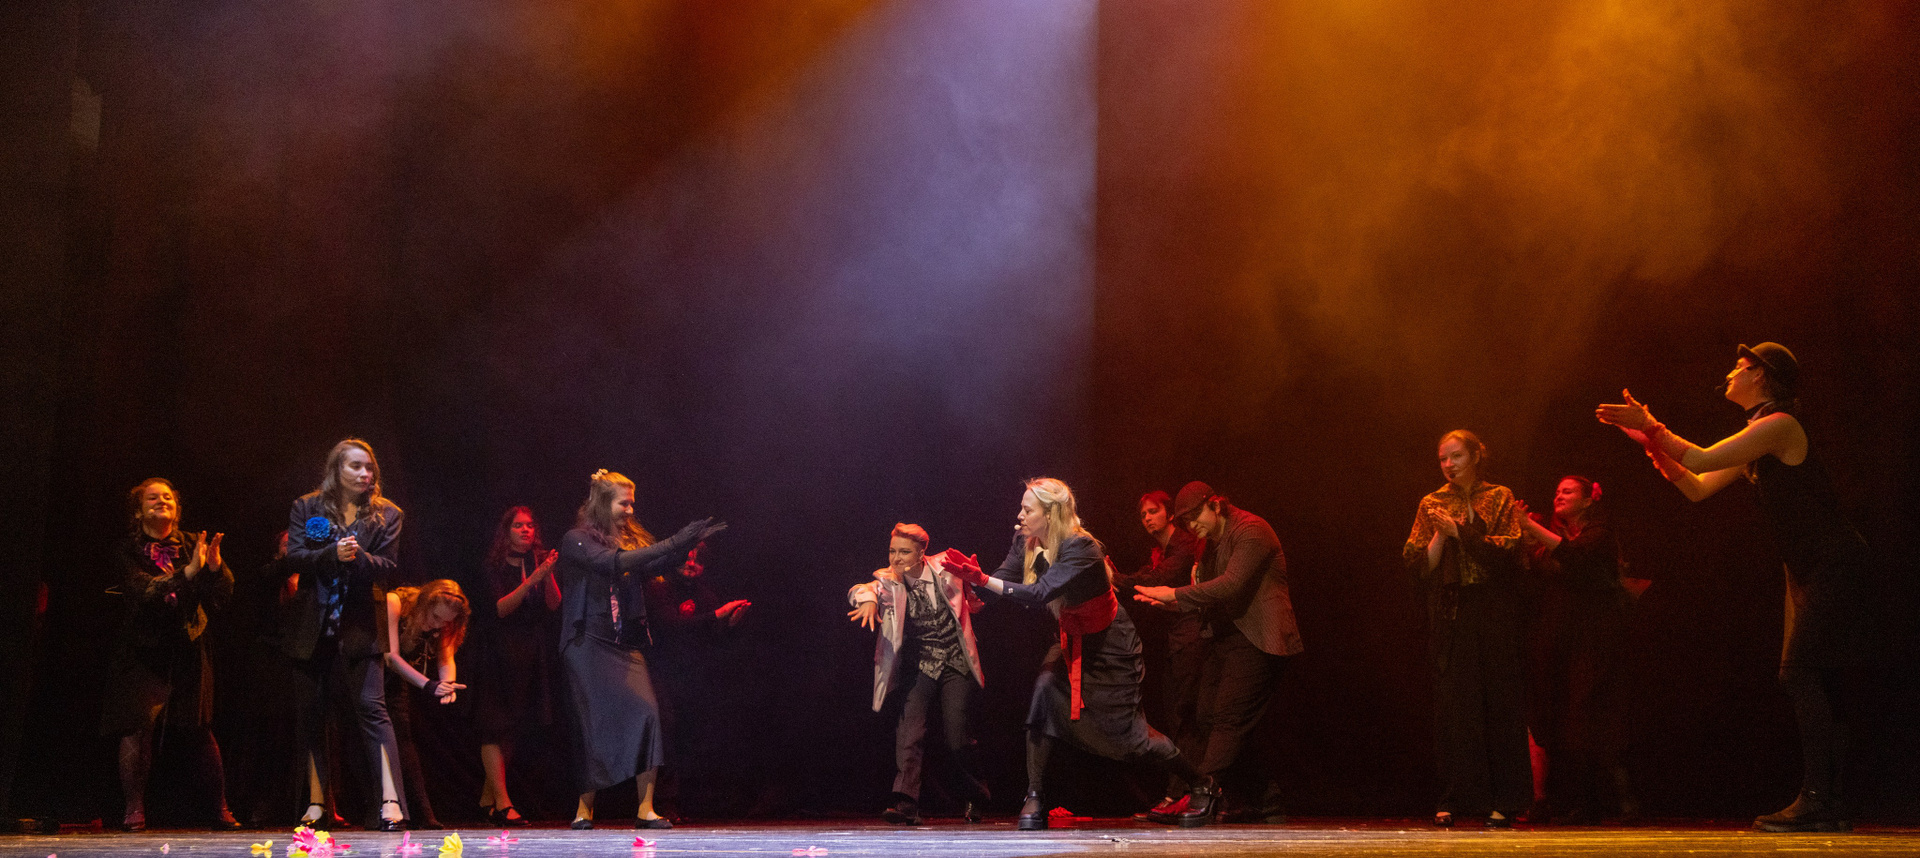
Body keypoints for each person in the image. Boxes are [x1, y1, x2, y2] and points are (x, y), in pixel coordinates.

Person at [1598, 342, 1867, 832]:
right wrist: (1651, 442)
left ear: (1761, 376)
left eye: (1740, 367)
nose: (1729, 373)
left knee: (1800, 673)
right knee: (1811, 677)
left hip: (1835, 561)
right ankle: (1828, 801)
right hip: (1805, 567)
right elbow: (1696, 487)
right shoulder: (1758, 436)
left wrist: (1652, 424)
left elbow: (1700, 459)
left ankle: (1821, 799)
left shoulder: (1780, 425)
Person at [943, 478, 1211, 829]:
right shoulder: (1024, 540)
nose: (1019, 515)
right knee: (1043, 695)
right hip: (1070, 637)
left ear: (1051, 514)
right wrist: (977, 592)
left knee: (1132, 738)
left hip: (1111, 647)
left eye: (1027, 509)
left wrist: (984, 581)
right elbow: (1005, 578)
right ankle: (1034, 795)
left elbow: (1039, 593)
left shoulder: (1082, 547)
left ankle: (1202, 784)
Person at [557, 469, 725, 830]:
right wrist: (673, 541)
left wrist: (686, 546)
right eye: (624, 503)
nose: (631, 510)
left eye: (632, 503)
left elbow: (649, 566)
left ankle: (645, 809)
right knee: (593, 723)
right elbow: (612, 563)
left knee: (648, 713)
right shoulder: (576, 540)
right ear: (603, 503)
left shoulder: (626, 542)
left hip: (624, 643)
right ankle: (584, 810)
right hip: (587, 643)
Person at [1133, 481, 1303, 825]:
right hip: (1226, 637)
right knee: (1207, 717)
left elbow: (1231, 585)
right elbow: (1206, 594)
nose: (1191, 525)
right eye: (1185, 520)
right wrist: (1173, 605)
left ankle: (1204, 794)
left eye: (1195, 516)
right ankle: (1265, 799)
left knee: (1228, 718)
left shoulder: (1251, 530)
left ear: (1216, 504)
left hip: (1259, 636)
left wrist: (1174, 594)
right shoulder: (1208, 544)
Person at [1401, 430, 1529, 828]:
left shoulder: (1500, 496)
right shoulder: (1432, 502)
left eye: (1456, 456)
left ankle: (1505, 800)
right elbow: (1418, 565)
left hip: (1492, 607)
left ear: (1475, 456)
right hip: (1451, 608)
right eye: (1443, 458)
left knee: (1500, 703)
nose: (1448, 465)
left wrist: (1463, 533)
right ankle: (1454, 797)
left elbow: (1507, 553)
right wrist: (1442, 535)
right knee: (1455, 707)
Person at [281, 438, 409, 830]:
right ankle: (317, 803)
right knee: (312, 714)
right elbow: (295, 557)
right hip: (313, 626)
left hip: (360, 626)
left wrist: (357, 557)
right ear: (337, 469)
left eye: (369, 467)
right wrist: (330, 554)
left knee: (372, 710)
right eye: (356, 466)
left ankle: (390, 802)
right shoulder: (307, 507)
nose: (365, 473)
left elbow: (388, 566)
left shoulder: (388, 514)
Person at [101, 478, 239, 831]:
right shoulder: (127, 549)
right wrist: (188, 571)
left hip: (189, 642)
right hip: (144, 647)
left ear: (176, 508)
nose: (161, 501)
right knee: (137, 726)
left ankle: (219, 808)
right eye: (152, 498)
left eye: (167, 497)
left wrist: (214, 568)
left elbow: (222, 592)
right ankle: (134, 808)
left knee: (199, 728)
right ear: (138, 511)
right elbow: (144, 590)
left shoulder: (194, 543)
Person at [846, 524, 988, 825]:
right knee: (909, 733)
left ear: (922, 552)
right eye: (892, 551)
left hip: (956, 661)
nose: (896, 558)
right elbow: (860, 590)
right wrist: (867, 600)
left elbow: (974, 592)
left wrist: (974, 587)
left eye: (904, 552)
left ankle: (975, 794)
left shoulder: (946, 567)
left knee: (957, 737)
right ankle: (906, 803)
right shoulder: (888, 581)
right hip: (921, 664)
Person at [1516, 476, 1636, 824]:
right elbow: (1538, 576)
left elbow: (1576, 557)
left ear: (1588, 501)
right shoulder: (1552, 537)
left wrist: (1531, 529)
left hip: (1592, 641)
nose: (1559, 495)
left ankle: (1601, 802)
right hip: (1557, 640)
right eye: (1556, 491)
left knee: (1584, 717)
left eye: (1567, 491)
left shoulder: (1600, 534)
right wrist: (1526, 542)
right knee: (1553, 717)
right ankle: (1555, 800)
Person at [1110, 490, 1205, 808]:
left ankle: (1183, 794)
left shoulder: (1185, 545)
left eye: (1153, 511)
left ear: (1170, 513)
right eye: (1143, 515)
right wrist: (1117, 579)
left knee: (1186, 716)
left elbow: (1160, 578)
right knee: (1176, 715)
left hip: (1192, 636)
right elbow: (1147, 576)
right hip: (1175, 639)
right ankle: (1182, 792)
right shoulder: (1160, 551)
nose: (1148, 518)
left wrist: (1116, 578)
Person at [643, 541, 750, 820]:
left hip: (692, 676)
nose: (691, 564)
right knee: (666, 731)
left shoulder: (706, 594)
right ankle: (664, 802)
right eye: (686, 558)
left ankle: (689, 801)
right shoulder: (659, 589)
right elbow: (671, 626)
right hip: (662, 672)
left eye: (697, 560)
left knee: (691, 736)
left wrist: (729, 624)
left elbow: (712, 638)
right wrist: (716, 616)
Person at [471, 506, 561, 827]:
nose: (525, 530)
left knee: (511, 728)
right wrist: (531, 580)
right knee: (494, 726)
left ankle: (488, 799)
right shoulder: (493, 566)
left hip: (528, 653)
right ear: (506, 531)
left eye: (530, 525)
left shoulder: (538, 562)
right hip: (498, 652)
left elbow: (553, 605)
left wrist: (546, 576)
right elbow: (501, 609)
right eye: (518, 525)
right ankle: (504, 803)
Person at [382, 579, 471, 830]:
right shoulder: (396, 603)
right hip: (371, 673)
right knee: (375, 738)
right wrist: (429, 685)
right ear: (424, 603)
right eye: (435, 617)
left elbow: (445, 657)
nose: (438, 625)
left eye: (445, 622)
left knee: (404, 740)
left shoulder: (443, 624)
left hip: (398, 680)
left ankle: (422, 814)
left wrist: (447, 684)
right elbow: (390, 656)